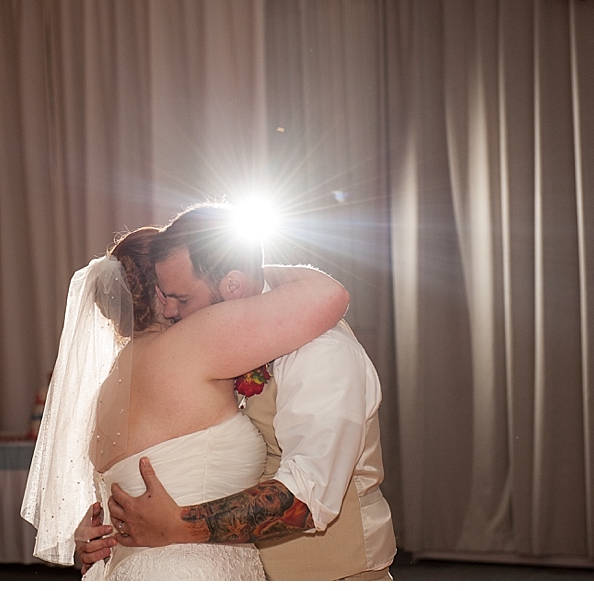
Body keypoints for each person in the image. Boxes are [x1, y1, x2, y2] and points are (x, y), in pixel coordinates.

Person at [84, 203, 396, 580]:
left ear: (232, 285)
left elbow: (306, 497)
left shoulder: (321, 349)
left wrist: (180, 525)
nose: (170, 313)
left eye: (181, 299)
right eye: (164, 297)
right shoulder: (205, 355)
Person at [22, 222, 349, 580]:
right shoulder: (194, 342)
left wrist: (93, 538)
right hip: (193, 571)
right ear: (162, 295)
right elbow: (329, 295)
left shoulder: (108, 386)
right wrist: (246, 267)